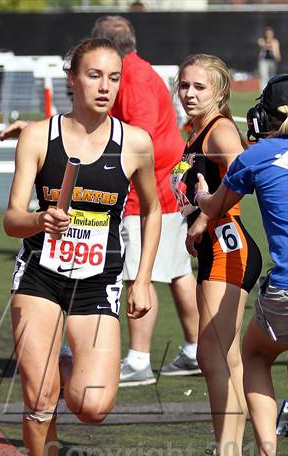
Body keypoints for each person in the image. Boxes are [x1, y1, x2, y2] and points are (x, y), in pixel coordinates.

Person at [3, 37, 161, 456]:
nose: (105, 87)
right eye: (95, 76)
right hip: (40, 278)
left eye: (114, 78)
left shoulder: (134, 142)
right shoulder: (37, 137)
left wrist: (141, 278)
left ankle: (65, 363)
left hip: (98, 282)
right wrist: (37, 218)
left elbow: (155, 209)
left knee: (92, 407)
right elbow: (10, 220)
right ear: (71, 77)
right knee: (39, 398)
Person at [91, 16, 200, 384]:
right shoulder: (139, 71)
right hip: (165, 182)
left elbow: (140, 136)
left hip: (149, 189)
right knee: (178, 271)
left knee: (141, 275)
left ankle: (139, 361)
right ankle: (194, 350)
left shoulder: (133, 77)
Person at [195, 74, 288, 456]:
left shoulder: (260, 155)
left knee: (252, 355)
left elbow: (216, 206)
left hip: (284, 293)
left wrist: (200, 196)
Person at [173, 54, 262, 456]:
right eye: (184, 85)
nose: (189, 94)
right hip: (216, 251)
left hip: (230, 248)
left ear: (220, 92)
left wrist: (206, 217)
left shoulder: (220, 129)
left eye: (199, 88)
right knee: (224, 358)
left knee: (212, 355)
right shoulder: (196, 130)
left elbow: (246, 172)